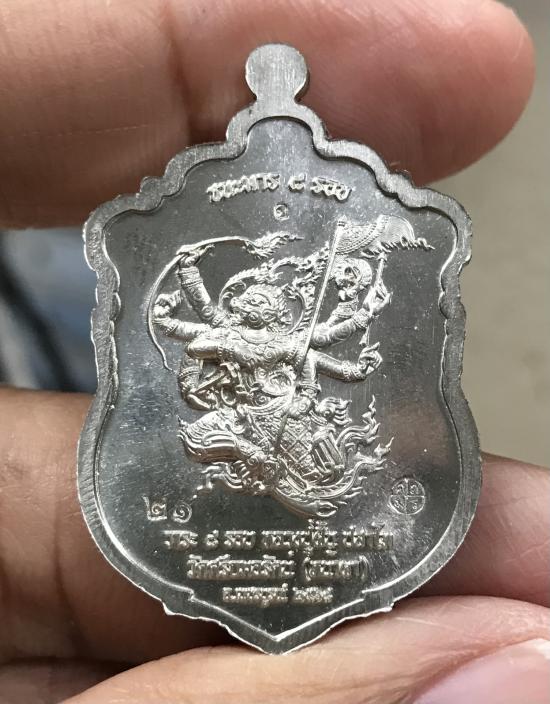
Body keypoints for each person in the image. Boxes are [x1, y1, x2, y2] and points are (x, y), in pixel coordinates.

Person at [0, 1, 547, 703]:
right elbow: (206, 334)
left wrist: (349, 349)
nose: (268, 308)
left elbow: (315, 349)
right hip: (253, 418)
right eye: (258, 304)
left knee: (322, 452)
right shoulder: (235, 336)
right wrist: (194, 308)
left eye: (269, 304)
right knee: (241, 445)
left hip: (296, 415)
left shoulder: (285, 336)